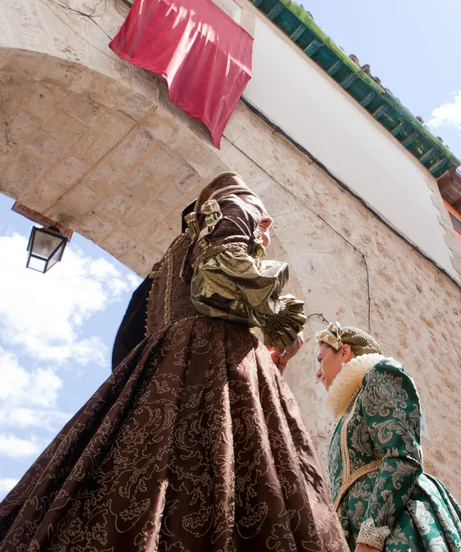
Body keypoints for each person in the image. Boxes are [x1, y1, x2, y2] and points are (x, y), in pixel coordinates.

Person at [0, 172, 347, 551]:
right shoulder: (240, 206)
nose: (265, 236)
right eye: (264, 228)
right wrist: (282, 320)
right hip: (212, 367)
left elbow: (126, 342)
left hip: (163, 373)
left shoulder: (168, 260)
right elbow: (223, 270)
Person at [315, 322, 461, 552]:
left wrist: (371, 537)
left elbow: (402, 457)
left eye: (320, 358)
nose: (318, 372)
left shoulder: (379, 375)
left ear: (344, 351)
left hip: (395, 529)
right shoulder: (348, 413)